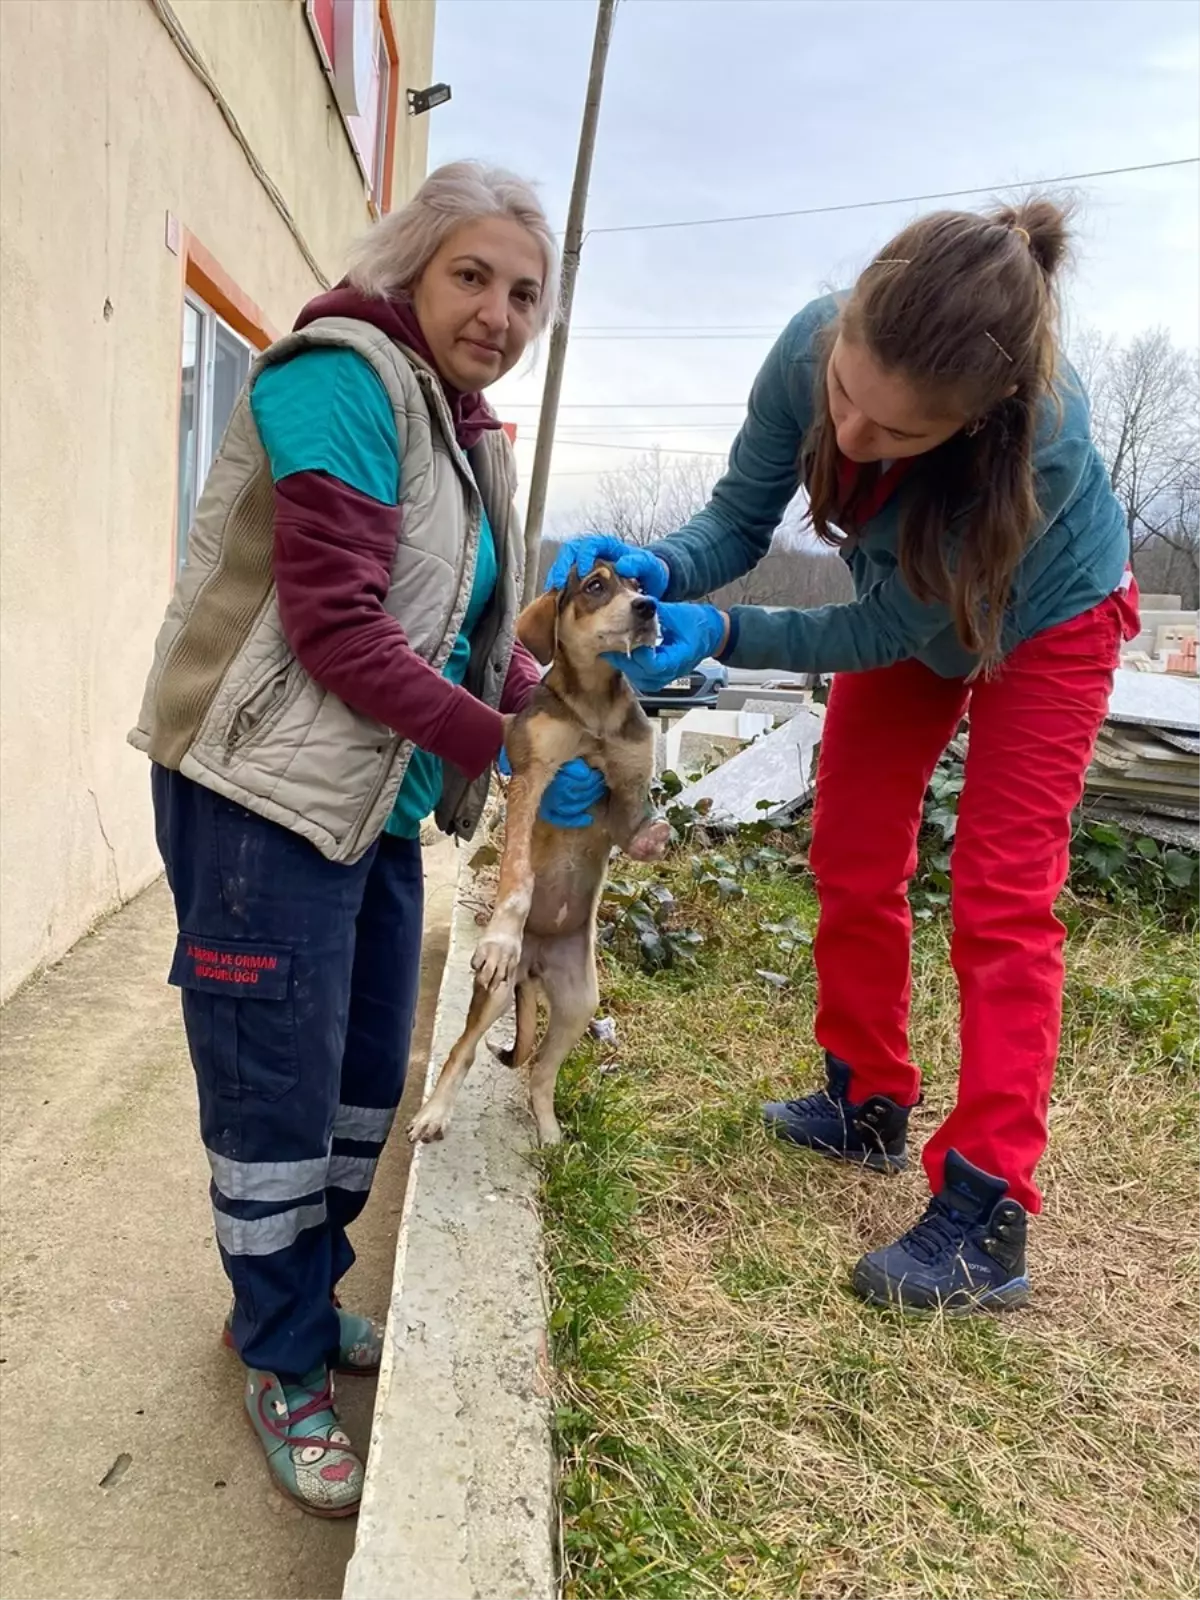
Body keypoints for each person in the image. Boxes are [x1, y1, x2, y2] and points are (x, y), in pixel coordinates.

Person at [547, 198, 1140, 1315]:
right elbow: (737, 519)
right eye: (845, 400)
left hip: (1043, 620)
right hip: (913, 607)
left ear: (978, 421)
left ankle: (988, 1210)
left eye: (899, 433)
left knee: (1003, 896)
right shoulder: (814, 343)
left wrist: (727, 632)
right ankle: (866, 1098)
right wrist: (664, 570)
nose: (856, 440)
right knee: (853, 847)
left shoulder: (1038, 437)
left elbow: (875, 634)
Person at [131, 161, 605, 1516]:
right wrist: (504, 744)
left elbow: (466, 633)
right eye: (473, 275)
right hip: (264, 797)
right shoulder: (339, 377)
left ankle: (292, 1301)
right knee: (273, 1092)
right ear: (409, 265)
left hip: (374, 806)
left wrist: (546, 724)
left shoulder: (462, 430)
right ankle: (278, 1357)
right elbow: (341, 629)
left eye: (526, 292)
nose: (501, 312)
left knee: (353, 1086)